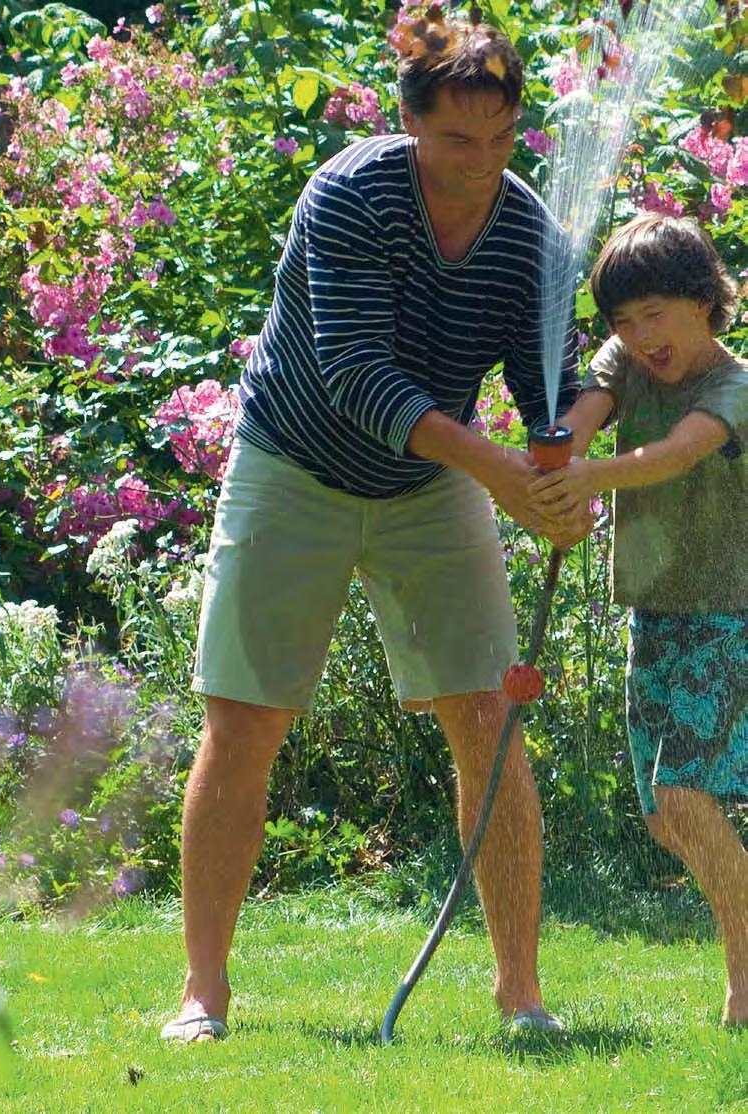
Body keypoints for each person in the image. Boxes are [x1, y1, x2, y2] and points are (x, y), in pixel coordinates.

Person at [161, 18, 590, 1042]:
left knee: (489, 717)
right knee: (245, 720)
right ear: (408, 126)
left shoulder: (530, 232)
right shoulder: (351, 195)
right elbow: (357, 376)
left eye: (501, 140)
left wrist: (560, 462)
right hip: (295, 462)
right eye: (457, 142)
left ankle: (522, 996)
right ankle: (203, 997)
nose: (482, 164)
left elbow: (548, 389)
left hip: (431, 482)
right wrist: (502, 473)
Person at [530, 212, 747, 1026]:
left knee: (683, 796)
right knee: (664, 821)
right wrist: (557, 457)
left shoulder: (731, 386)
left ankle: (744, 979)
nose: (638, 335)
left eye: (654, 313)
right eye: (623, 321)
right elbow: (585, 413)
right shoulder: (627, 359)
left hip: (728, 616)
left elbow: (672, 455)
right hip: (655, 615)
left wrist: (585, 475)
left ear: (701, 299)